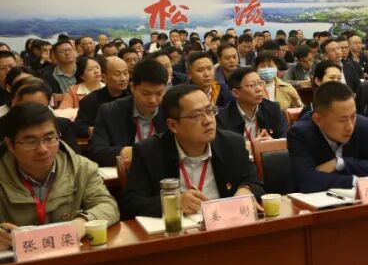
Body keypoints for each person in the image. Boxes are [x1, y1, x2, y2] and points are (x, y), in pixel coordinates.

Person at [0, 102, 119, 249]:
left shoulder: (82, 168)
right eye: (31, 142)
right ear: (10, 145)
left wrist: (82, 223)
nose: (42, 149)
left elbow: (107, 205)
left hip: (71, 258)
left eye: (49, 138)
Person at [120, 85, 265, 219]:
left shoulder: (231, 144)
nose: (208, 120)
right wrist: (173, 203)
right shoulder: (149, 152)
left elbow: (256, 184)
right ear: (173, 125)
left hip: (223, 225)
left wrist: (246, 190)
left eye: (209, 111)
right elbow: (131, 204)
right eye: (196, 116)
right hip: (177, 231)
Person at [287, 81, 368, 192]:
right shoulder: (300, 134)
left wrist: (340, 163)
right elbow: (306, 181)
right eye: (342, 120)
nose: (350, 126)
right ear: (318, 120)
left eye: (353, 116)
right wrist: (353, 181)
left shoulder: (362, 125)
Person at [0, 80, 80, 181]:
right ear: (14, 104)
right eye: (29, 107)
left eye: (41, 108)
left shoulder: (61, 125)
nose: (35, 114)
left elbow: (75, 164)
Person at [87, 58, 169, 167]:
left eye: (159, 93)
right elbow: (96, 152)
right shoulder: (110, 111)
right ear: (132, 87)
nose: (152, 100)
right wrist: (135, 152)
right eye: (146, 93)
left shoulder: (171, 110)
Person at [217, 66, 288, 141]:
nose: (259, 89)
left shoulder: (273, 109)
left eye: (260, 83)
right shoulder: (222, 118)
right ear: (236, 93)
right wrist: (251, 145)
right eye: (251, 85)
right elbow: (224, 146)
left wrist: (272, 142)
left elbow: (285, 138)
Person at [74, 56, 130, 136]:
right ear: (103, 77)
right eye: (117, 74)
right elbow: (79, 126)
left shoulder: (134, 96)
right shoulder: (90, 100)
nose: (123, 78)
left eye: (126, 73)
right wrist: (94, 130)